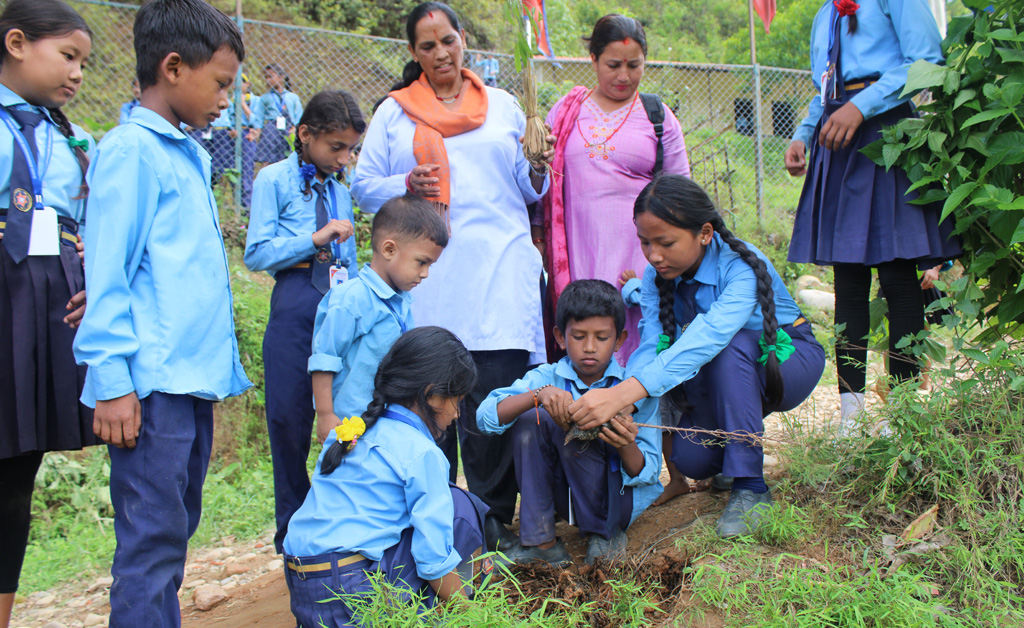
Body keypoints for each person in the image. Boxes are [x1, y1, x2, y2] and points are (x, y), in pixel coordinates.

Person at [351, 1, 554, 554]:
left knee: (491, 408)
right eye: (427, 45)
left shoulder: (506, 106)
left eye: (448, 41)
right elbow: (363, 187)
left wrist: (538, 167)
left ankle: (493, 523)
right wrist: (404, 181)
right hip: (431, 287)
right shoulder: (396, 113)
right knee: (430, 412)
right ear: (414, 54)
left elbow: (530, 189)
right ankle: (440, 530)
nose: (440, 53)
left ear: (463, 41)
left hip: (499, 274)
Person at [71, 2, 251, 626]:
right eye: (222, 83)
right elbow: (109, 276)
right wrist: (112, 384)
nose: (228, 99)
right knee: (150, 543)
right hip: (151, 388)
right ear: (174, 67)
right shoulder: (130, 152)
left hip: (190, 380)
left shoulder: (187, 153)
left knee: (173, 532)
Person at [567, 174, 826, 538]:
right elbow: (652, 344)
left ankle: (751, 487)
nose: (654, 255)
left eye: (666, 243)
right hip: (728, 371)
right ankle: (731, 457)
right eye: (644, 243)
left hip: (786, 359)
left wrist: (623, 395)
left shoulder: (740, 265)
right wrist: (624, 401)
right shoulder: (656, 276)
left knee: (729, 347)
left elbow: (710, 337)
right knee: (692, 458)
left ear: (704, 233)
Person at [783, 0, 962, 428]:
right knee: (847, 282)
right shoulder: (824, 14)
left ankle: (903, 413)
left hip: (887, 137)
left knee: (899, 278)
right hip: (837, 143)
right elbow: (824, 88)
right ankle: (851, 415)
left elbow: (926, 61)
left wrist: (862, 106)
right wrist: (803, 133)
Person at [284, 326, 488, 628]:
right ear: (432, 395)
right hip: (350, 589)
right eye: (457, 400)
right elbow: (433, 562)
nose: (458, 414)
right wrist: (475, 615)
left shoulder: (352, 430)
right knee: (461, 508)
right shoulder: (422, 453)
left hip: (303, 585)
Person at [0, 2, 95, 626]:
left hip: (48, 305)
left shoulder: (74, 140)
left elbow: (83, 222)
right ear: (15, 43)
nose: (78, 74)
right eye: (67, 57)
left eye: (84, 62)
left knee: (17, 467)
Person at [244, 90, 366, 554]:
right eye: (336, 147)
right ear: (305, 134)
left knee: (346, 411)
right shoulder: (273, 179)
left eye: (350, 149)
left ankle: (342, 527)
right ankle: (292, 539)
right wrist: (314, 237)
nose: (344, 158)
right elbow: (256, 251)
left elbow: (348, 259)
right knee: (289, 419)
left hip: (336, 306)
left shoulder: (339, 188)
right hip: (294, 300)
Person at [477, 280, 662, 566]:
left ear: (620, 340)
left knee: (586, 426)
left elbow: (647, 473)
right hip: (567, 500)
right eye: (578, 336)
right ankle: (542, 543)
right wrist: (537, 396)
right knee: (531, 417)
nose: (589, 348)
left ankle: (607, 535)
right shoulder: (547, 376)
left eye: (601, 338)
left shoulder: (633, 390)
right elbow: (485, 418)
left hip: (615, 502)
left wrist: (626, 444)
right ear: (560, 337)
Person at [543, 14, 690, 365]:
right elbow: (543, 183)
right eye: (612, 65)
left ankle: (639, 411)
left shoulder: (658, 116)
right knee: (585, 332)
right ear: (592, 59)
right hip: (579, 252)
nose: (624, 76)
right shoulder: (566, 112)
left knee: (639, 329)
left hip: (640, 254)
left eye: (634, 65)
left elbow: (682, 194)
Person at [309, 193, 448, 459]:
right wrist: (326, 415)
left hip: (387, 425)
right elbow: (325, 359)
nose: (425, 273)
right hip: (350, 426)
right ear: (388, 249)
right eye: (422, 262)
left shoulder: (402, 301)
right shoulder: (351, 299)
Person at [251, 63, 302, 166]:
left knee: (288, 160)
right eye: (266, 77)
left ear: (281, 77)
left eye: (271, 76)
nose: (267, 80)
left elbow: (298, 116)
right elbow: (259, 117)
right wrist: (256, 130)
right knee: (268, 161)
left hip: (288, 131)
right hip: (271, 132)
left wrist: (295, 128)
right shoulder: (265, 98)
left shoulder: (292, 97)